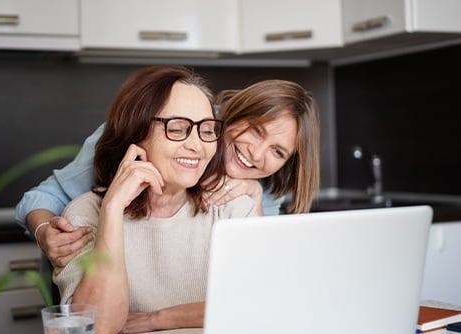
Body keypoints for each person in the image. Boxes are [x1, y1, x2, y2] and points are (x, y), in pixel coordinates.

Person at [16, 75, 320, 269]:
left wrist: (254, 200)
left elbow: (259, 283)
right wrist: (45, 233)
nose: (257, 154)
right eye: (255, 131)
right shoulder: (139, 134)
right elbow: (42, 197)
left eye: (278, 151)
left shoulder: (261, 190)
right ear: (233, 115)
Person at [53, 66, 258, 334]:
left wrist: (163, 318)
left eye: (206, 130)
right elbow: (95, 327)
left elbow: (256, 307)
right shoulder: (85, 214)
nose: (197, 145)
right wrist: (112, 210)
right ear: (136, 131)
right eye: (177, 128)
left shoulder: (234, 209)